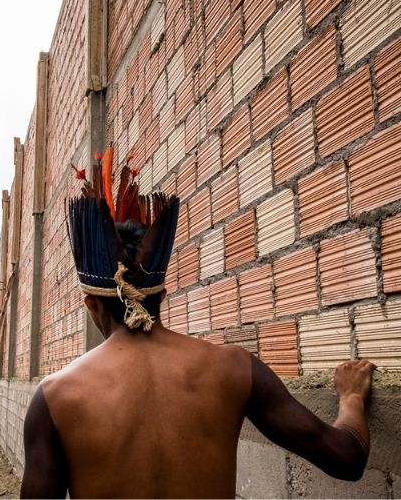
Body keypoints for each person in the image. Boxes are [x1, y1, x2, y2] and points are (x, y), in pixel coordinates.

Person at [20, 148, 376, 498]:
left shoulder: (56, 398)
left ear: (91, 303)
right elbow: (347, 458)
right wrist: (351, 397)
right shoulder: (234, 368)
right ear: (162, 293)